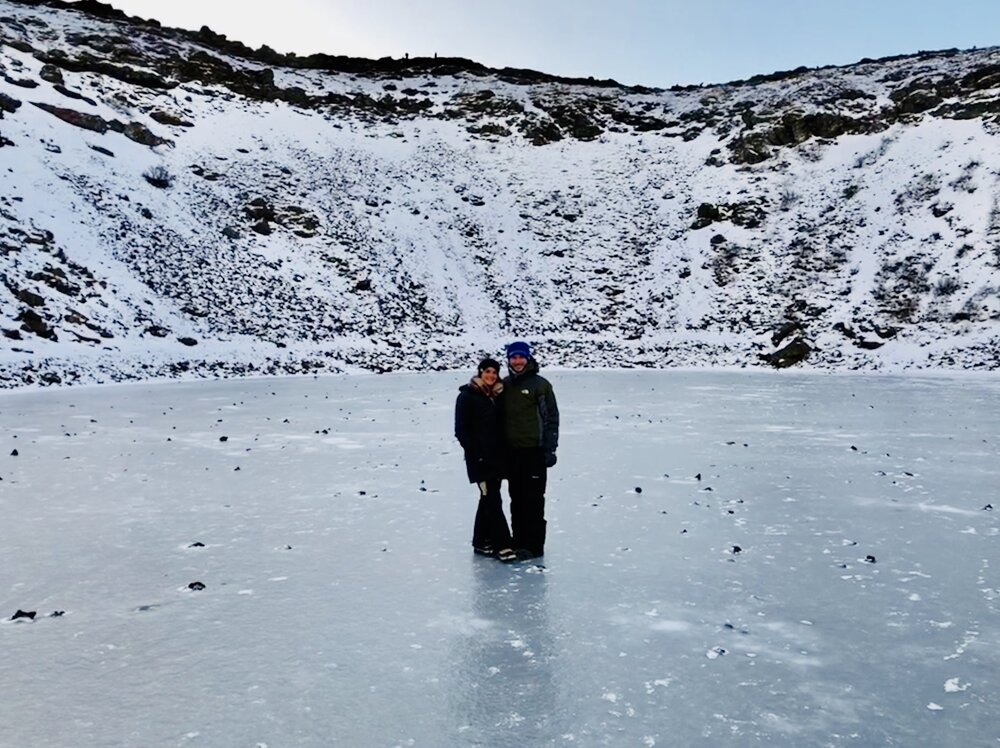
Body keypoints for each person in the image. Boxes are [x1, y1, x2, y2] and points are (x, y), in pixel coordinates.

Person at [454, 357, 517, 563]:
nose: (490, 376)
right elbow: (461, 431)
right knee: (492, 499)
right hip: (479, 460)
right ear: (480, 372)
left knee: (487, 499)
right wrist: (476, 454)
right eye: (487, 371)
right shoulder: (467, 396)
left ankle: (480, 541)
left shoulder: (496, 396)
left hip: (497, 458)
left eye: (494, 372)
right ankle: (503, 545)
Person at [501, 341, 559, 560]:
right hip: (512, 453)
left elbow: (551, 418)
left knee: (534, 500)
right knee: (516, 499)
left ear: (528, 358)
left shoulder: (540, 385)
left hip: (534, 452)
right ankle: (518, 542)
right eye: (513, 357)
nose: (517, 361)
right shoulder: (504, 385)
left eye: (521, 357)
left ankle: (534, 546)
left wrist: (550, 449)